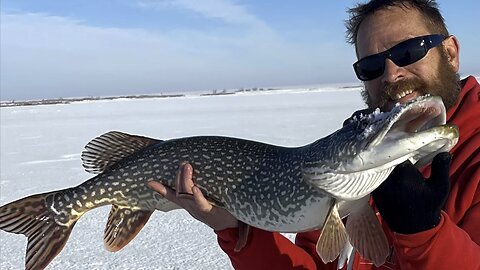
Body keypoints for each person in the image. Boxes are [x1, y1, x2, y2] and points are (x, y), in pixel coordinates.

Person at [148, 0, 480, 269]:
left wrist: (424, 235)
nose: (391, 74)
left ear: (450, 54)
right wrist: (234, 228)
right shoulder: (346, 165)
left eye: (408, 52)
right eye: (371, 66)